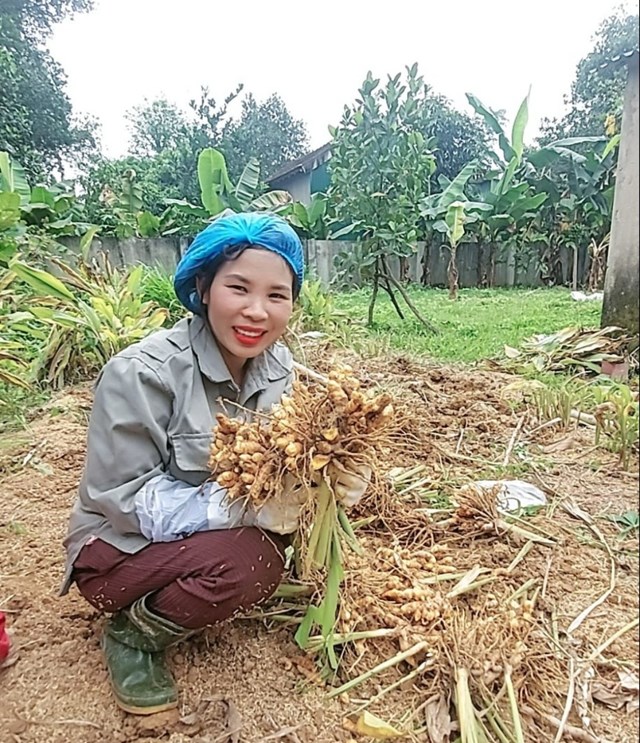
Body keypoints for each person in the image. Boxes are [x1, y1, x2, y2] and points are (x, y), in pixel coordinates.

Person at [60, 212, 369, 715]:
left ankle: (203, 578)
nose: (257, 312)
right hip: (117, 550)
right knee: (254, 560)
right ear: (202, 287)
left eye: (277, 295)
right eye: (238, 288)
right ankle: (132, 635)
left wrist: (332, 477)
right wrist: (243, 510)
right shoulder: (141, 373)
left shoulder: (278, 367)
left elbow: (280, 457)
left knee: (272, 539)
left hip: (197, 539)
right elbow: (123, 501)